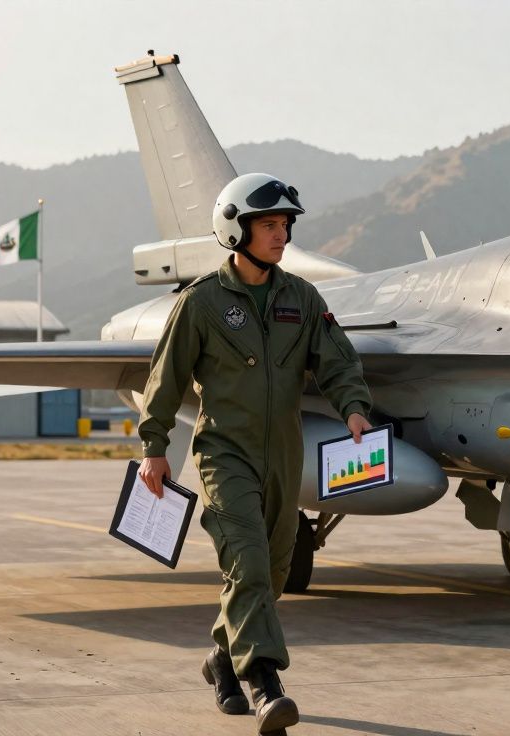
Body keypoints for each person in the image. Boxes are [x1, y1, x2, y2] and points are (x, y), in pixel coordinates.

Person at [136, 173, 373, 733]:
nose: (281, 235)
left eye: (285, 225)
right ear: (235, 229)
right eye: (269, 225)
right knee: (246, 563)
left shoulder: (302, 298)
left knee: (272, 571)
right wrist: (154, 447)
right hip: (226, 455)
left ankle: (221, 657)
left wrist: (354, 408)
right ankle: (266, 684)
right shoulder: (202, 304)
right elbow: (164, 379)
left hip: (284, 457)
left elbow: (337, 360)